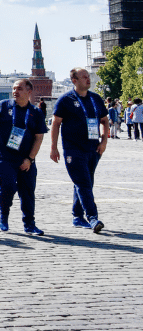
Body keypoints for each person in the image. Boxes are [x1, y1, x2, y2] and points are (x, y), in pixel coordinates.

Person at [49, 67, 109, 233]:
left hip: (93, 148)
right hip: (73, 149)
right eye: (84, 77)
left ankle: (77, 216)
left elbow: (104, 120)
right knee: (83, 182)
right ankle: (93, 218)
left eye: (88, 76)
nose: (88, 79)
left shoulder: (95, 98)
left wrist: (104, 141)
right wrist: (53, 147)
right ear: (74, 80)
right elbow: (56, 123)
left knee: (85, 182)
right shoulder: (65, 100)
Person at [0, 79, 47, 235]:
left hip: (26, 160)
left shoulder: (36, 112)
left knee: (28, 192)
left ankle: (29, 224)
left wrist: (30, 159)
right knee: (7, 188)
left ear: (29, 92)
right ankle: (3, 217)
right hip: (5, 158)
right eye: (13, 88)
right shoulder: (3, 106)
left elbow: (39, 137)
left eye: (19, 88)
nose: (15, 91)